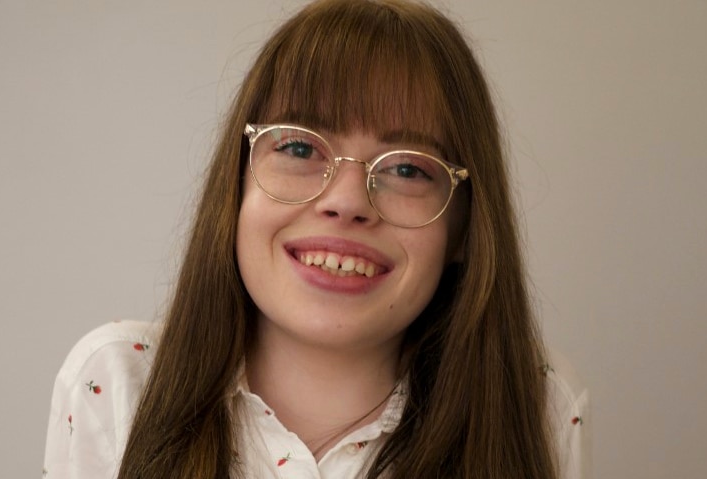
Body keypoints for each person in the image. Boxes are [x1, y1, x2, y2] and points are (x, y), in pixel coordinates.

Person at [43, 0, 589, 478]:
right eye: (301, 149)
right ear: (234, 187)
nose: (347, 201)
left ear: (466, 228)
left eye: (407, 169)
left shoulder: (535, 403)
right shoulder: (120, 382)